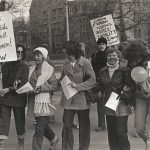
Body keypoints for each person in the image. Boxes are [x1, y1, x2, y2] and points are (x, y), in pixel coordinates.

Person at [59, 40, 96, 150]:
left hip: (82, 99)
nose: (63, 52)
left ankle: (83, 148)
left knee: (84, 127)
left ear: (72, 50)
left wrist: (78, 86)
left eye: (65, 50)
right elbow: (62, 79)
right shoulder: (65, 64)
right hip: (68, 99)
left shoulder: (85, 63)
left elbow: (92, 80)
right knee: (66, 125)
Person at [97, 47, 135, 150]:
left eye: (114, 55)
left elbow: (131, 86)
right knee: (112, 133)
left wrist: (124, 95)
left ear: (118, 56)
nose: (112, 57)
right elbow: (99, 85)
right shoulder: (103, 71)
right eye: (109, 55)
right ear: (106, 57)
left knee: (121, 132)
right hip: (109, 104)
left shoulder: (125, 70)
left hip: (121, 104)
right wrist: (96, 92)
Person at [27, 47, 58, 150]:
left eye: (38, 55)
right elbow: (29, 83)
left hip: (44, 102)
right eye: (35, 55)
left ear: (43, 57)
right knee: (42, 125)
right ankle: (53, 138)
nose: (36, 57)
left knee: (39, 128)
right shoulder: (31, 68)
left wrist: (41, 88)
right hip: (34, 101)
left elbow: (54, 85)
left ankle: (36, 148)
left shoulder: (49, 69)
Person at [0, 44, 29, 150]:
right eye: (17, 51)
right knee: (3, 122)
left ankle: (21, 144)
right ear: (13, 52)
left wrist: (9, 89)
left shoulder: (25, 66)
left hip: (18, 99)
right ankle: (2, 146)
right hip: (5, 98)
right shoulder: (4, 65)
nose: (19, 54)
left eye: (22, 52)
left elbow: (24, 83)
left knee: (20, 123)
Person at [91, 37, 107, 131]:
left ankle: (114, 123)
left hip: (109, 81)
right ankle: (101, 124)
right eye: (100, 44)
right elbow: (93, 69)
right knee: (100, 103)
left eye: (103, 44)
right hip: (98, 81)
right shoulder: (94, 55)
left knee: (111, 103)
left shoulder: (110, 54)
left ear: (106, 45)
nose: (101, 46)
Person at [134, 54, 150, 146]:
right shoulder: (140, 61)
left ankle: (148, 143)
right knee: (139, 129)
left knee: (149, 135)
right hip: (141, 98)